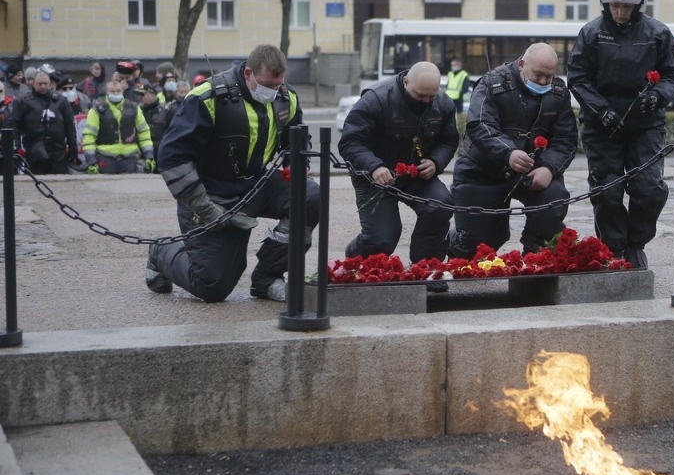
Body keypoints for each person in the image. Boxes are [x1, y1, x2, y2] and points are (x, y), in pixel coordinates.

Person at [147, 44, 320, 303]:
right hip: (211, 193)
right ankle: (161, 252)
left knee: (310, 195)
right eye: (267, 85)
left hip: (256, 183)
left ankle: (267, 277)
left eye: (278, 85)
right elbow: (172, 158)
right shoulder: (207, 98)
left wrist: (296, 164)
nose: (273, 92)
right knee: (213, 286)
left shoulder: (286, 97)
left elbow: (295, 141)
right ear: (249, 73)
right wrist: (206, 210)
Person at [567, 0, 674, 270]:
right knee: (607, 191)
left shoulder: (658, 33)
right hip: (602, 126)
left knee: (649, 188)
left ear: (639, 4)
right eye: (614, 5)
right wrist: (599, 109)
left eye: (626, 6)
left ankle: (635, 243)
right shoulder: (591, 33)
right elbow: (579, 78)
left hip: (645, 125)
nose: (620, 11)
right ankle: (614, 247)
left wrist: (658, 95)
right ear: (605, 3)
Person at [447, 43, 577, 259]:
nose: (545, 81)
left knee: (553, 202)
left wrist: (550, 169)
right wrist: (508, 152)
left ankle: (537, 259)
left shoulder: (558, 91)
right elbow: (480, 125)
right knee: (483, 243)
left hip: (534, 170)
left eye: (550, 76)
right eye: (539, 75)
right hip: (483, 170)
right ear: (523, 63)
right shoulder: (491, 82)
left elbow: (566, 138)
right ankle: (455, 243)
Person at [338, 61, 458, 269]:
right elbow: (351, 142)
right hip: (374, 175)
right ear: (405, 82)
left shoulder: (443, 103)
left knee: (440, 204)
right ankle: (355, 259)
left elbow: (448, 141)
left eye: (432, 96)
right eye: (421, 96)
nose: (427, 101)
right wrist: (374, 166)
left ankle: (426, 267)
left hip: (417, 175)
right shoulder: (376, 99)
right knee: (382, 239)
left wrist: (436, 162)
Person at [7, 70, 78, 174]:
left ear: (50, 84)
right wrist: (16, 147)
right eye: (40, 84)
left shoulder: (61, 100)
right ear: (33, 84)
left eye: (45, 83)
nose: (43, 86)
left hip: (58, 151)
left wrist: (73, 149)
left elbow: (69, 126)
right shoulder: (23, 101)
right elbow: (14, 125)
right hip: (34, 150)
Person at [81, 79, 154, 174]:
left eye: (118, 91)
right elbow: (89, 136)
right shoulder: (97, 110)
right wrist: (91, 160)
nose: (115, 93)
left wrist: (149, 155)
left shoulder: (134, 108)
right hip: (106, 157)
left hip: (130, 157)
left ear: (122, 90)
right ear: (106, 91)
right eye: (112, 91)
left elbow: (144, 132)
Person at [136, 81, 168, 170]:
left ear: (153, 94)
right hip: (144, 152)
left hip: (162, 151)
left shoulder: (165, 110)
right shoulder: (138, 111)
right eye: (138, 95)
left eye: (142, 95)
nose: (140, 97)